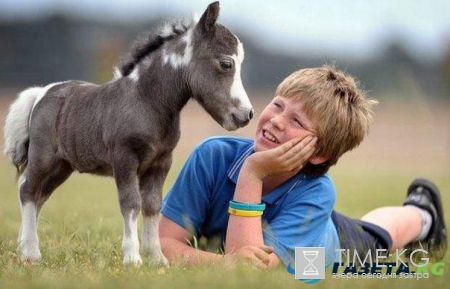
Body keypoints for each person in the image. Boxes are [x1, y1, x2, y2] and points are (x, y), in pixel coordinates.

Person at [158, 65, 447, 269]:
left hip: (322, 249)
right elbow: (163, 243)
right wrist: (224, 264)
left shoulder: (317, 193)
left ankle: (423, 215)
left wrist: (253, 173)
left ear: (319, 153)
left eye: (297, 122)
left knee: (374, 239)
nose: (277, 121)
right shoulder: (212, 156)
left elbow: (250, 273)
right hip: (298, 220)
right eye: (278, 105)